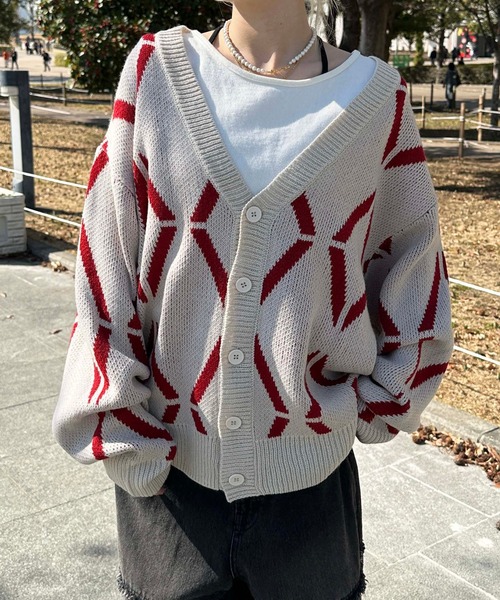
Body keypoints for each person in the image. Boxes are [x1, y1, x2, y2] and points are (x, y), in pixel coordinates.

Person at [52, 0, 454, 598]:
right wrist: (123, 430)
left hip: (312, 489)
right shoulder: (155, 72)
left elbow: (413, 267)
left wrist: (381, 402)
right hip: (166, 481)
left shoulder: (379, 101)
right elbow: (105, 256)